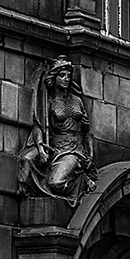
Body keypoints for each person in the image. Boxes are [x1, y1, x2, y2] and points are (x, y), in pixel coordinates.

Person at [18, 56, 96, 202]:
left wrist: (90, 156)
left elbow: (87, 132)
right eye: (62, 75)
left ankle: (82, 179)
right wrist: (41, 150)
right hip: (55, 147)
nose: (66, 79)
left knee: (55, 183)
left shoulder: (77, 100)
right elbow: (38, 128)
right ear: (54, 78)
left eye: (68, 76)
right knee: (26, 159)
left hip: (75, 150)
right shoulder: (49, 101)